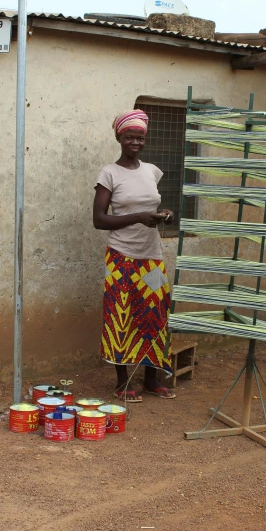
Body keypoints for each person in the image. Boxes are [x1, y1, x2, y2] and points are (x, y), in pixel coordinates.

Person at [93, 109, 175, 402]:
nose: (136, 142)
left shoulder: (152, 171)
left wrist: (162, 214)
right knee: (121, 315)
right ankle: (123, 381)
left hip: (151, 256)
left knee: (154, 314)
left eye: (140, 137)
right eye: (130, 136)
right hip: (121, 256)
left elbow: (151, 206)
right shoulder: (109, 173)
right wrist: (138, 217)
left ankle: (152, 378)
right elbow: (99, 219)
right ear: (119, 137)